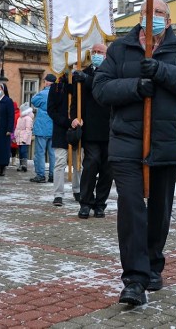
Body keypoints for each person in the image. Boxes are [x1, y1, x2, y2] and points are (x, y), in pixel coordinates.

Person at [93, 0, 176, 306]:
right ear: (139, 17)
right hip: (126, 142)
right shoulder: (119, 49)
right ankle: (134, 278)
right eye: (148, 12)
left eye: (159, 13)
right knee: (131, 209)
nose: (153, 16)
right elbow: (101, 89)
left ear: (168, 21)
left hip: (166, 140)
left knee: (159, 210)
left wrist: (159, 70)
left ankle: (154, 263)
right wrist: (135, 86)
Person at [61, 43, 113, 219]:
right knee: (91, 165)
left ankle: (100, 204)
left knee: (107, 169)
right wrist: (74, 117)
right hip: (90, 128)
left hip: (110, 128)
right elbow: (76, 101)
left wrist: (87, 80)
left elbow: (104, 89)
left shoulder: (112, 72)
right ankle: (85, 202)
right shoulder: (84, 73)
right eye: (95, 52)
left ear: (107, 54)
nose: (97, 54)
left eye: (101, 52)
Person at [47, 71, 82, 207]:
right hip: (61, 131)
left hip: (77, 129)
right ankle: (58, 194)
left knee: (78, 162)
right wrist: (66, 121)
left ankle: (77, 190)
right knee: (60, 163)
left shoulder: (79, 86)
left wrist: (78, 120)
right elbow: (51, 110)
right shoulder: (56, 87)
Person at [29, 74, 56, 183]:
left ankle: (40, 175)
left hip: (42, 126)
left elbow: (34, 100)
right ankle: (52, 175)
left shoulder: (42, 93)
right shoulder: (58, 93)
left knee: (40, 152)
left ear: (47, 82)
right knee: (52, 153)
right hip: (54, 126)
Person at [0, 83, 15, 176]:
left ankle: (2, 167)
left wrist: (9, 129)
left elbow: (11, 116)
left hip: (3, 129)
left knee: (2, 149)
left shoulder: (8, 101)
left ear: (3, 90)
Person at [14, 104, 34, 172]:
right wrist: (15, 136)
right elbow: (17, 128)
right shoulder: (20, 118)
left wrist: (24, 139)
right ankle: (21, 165)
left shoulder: (28, 118)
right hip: (20, 137)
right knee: (20, 151)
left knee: (24, 151)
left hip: (24, 138)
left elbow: (28, 129)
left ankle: (24, 165)